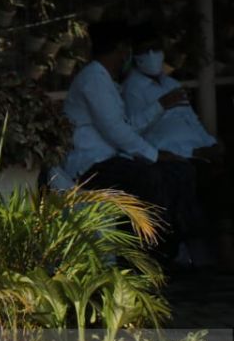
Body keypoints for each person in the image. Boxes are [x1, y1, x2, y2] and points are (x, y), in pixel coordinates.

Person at [54, 20, 208, 265]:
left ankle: (182, 245)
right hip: (90, 164)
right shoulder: (93, 79)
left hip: (110, 159)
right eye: (126, 48)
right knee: (150, 176)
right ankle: (152, 253)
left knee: (181, 171)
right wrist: (155, 155)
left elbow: (125, 126)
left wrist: (160, 107)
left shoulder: (105, 79)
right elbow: (116, 131)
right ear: (120, 49)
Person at [122, 21, 232, 267]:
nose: (152, 55)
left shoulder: (171, 83)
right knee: (201, 181)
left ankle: (221, 245)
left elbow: (190, 120)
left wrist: (211, 143)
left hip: (200, 150)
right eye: (145, 50)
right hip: (173, 155)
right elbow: (134, 130)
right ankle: (211, 250)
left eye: (156, 49)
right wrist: (161, 105)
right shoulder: (132, 88)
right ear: (136, 55)